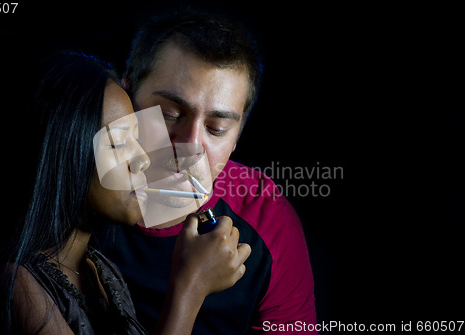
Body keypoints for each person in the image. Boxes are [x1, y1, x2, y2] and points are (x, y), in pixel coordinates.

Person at [92, 8, 317, 334]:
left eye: (216, 128)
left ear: (237, 136)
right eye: (170, 114)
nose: (190, 145)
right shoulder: (72, 188)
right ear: (124, 97)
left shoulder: (266, 217)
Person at [2, 51, 251, 334]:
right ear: (64, 154)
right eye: (118, 144)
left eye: (137, 138)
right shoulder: (18, 286)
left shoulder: (102, 272)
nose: (143, 159)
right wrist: (190, 288)